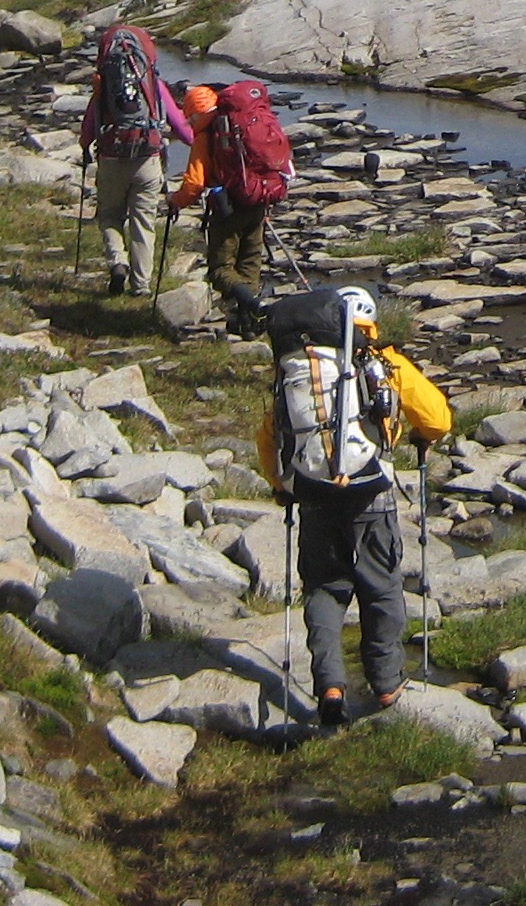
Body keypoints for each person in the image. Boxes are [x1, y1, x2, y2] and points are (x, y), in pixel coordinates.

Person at [258, 285, 451, 727]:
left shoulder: (299, 368)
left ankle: (330, 685)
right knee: (380, 585)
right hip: (370, 493)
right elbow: (438, 420)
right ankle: (386, 685)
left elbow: (271, 437)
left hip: (313, 493)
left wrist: (282, 486)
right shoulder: (383, 361)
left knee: (324, 587)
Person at [78, 22, 191, 297]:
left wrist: (85, 148)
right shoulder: (152, 83)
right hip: (147, 159)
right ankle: (140, 286)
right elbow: (183, 129)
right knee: (143, 223)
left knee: (109, 216)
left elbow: (88, 129)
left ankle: (118, 262)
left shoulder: (104, 86)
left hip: (112, 158)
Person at [172, 78, 291, 333]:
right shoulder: (242, 123)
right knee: (250, 262)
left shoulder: (209, 134)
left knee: (221, 269)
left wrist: (175, 203)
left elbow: (194, 183)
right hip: (259, 199)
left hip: (228, 207)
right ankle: (247, 324)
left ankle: (252, 306)